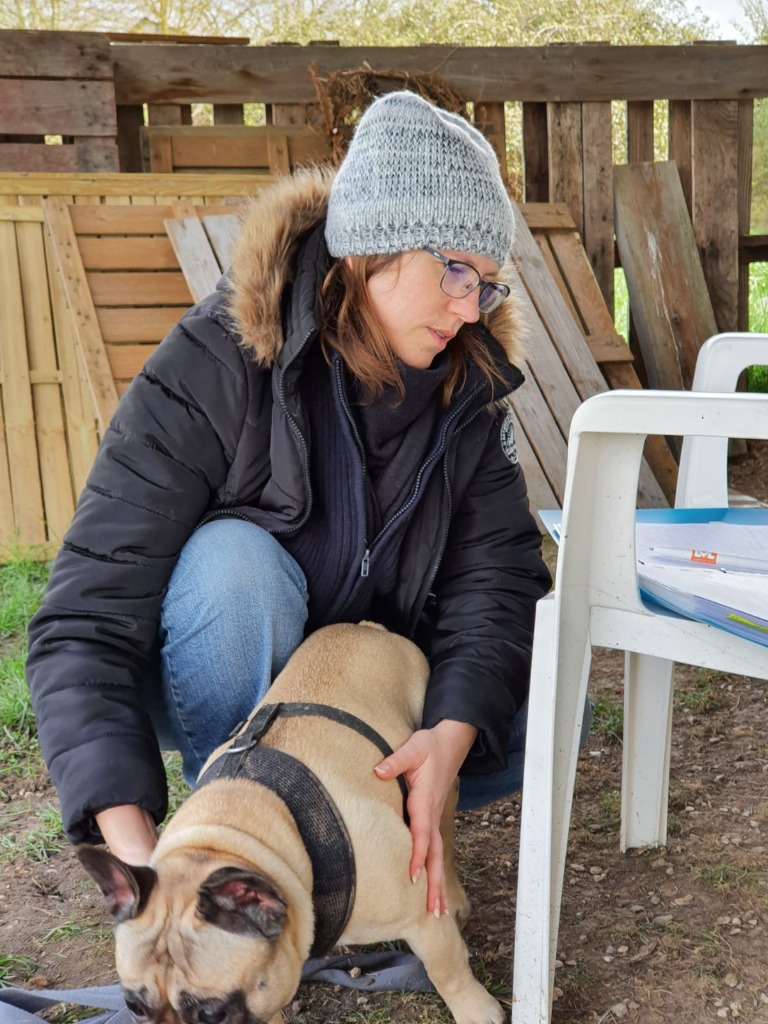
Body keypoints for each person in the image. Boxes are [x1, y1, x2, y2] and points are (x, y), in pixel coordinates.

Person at [26, 91, 552, 917]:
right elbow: (84, 618)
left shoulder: (469, 391)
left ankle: (351, 839)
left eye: (486, 285)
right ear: (369, 250)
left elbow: (499, 581)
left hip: (359, 694)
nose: (468, 307)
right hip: (221, 656)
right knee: (235, 567)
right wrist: (142, 865)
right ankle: (237, 852)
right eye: (453, 270)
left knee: (539, 713)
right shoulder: (217, 360)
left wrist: (449, 736)